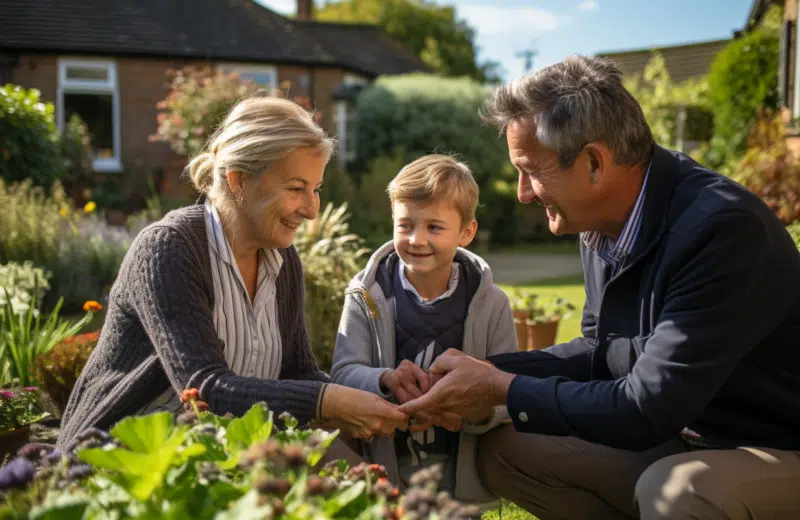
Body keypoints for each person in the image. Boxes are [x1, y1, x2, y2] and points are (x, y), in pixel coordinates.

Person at [399, 56, 800, 519]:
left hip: (776, 444)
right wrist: (482, 370)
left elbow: (647, 407)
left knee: (677, 493)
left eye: (531, 170)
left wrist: (501, 387)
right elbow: (598, 350)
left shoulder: (721, 231)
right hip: (688, 435)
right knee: (507, 449)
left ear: (593, 162)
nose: (522, 193)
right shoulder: (600, 224)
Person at [57, 94, 408, 452]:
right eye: (296, 189)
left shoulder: (282, 261)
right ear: (238, 180)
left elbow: (299, 376)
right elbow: (205, 390)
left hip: (205, 462)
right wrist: (329, 401)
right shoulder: (170, 248)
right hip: (109, 463)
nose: (311, 210)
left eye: (315, 189)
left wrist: (381, 392)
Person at [330, 154, 517, 506]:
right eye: (405, 225)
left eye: (434, 227)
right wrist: (384, 379)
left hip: (462, 468)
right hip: (387, 459)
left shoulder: (492, 303)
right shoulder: (365, 295)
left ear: (467, 232)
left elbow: (508, 386)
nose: (416, 239)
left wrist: (472, 407)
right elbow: (342, 373)